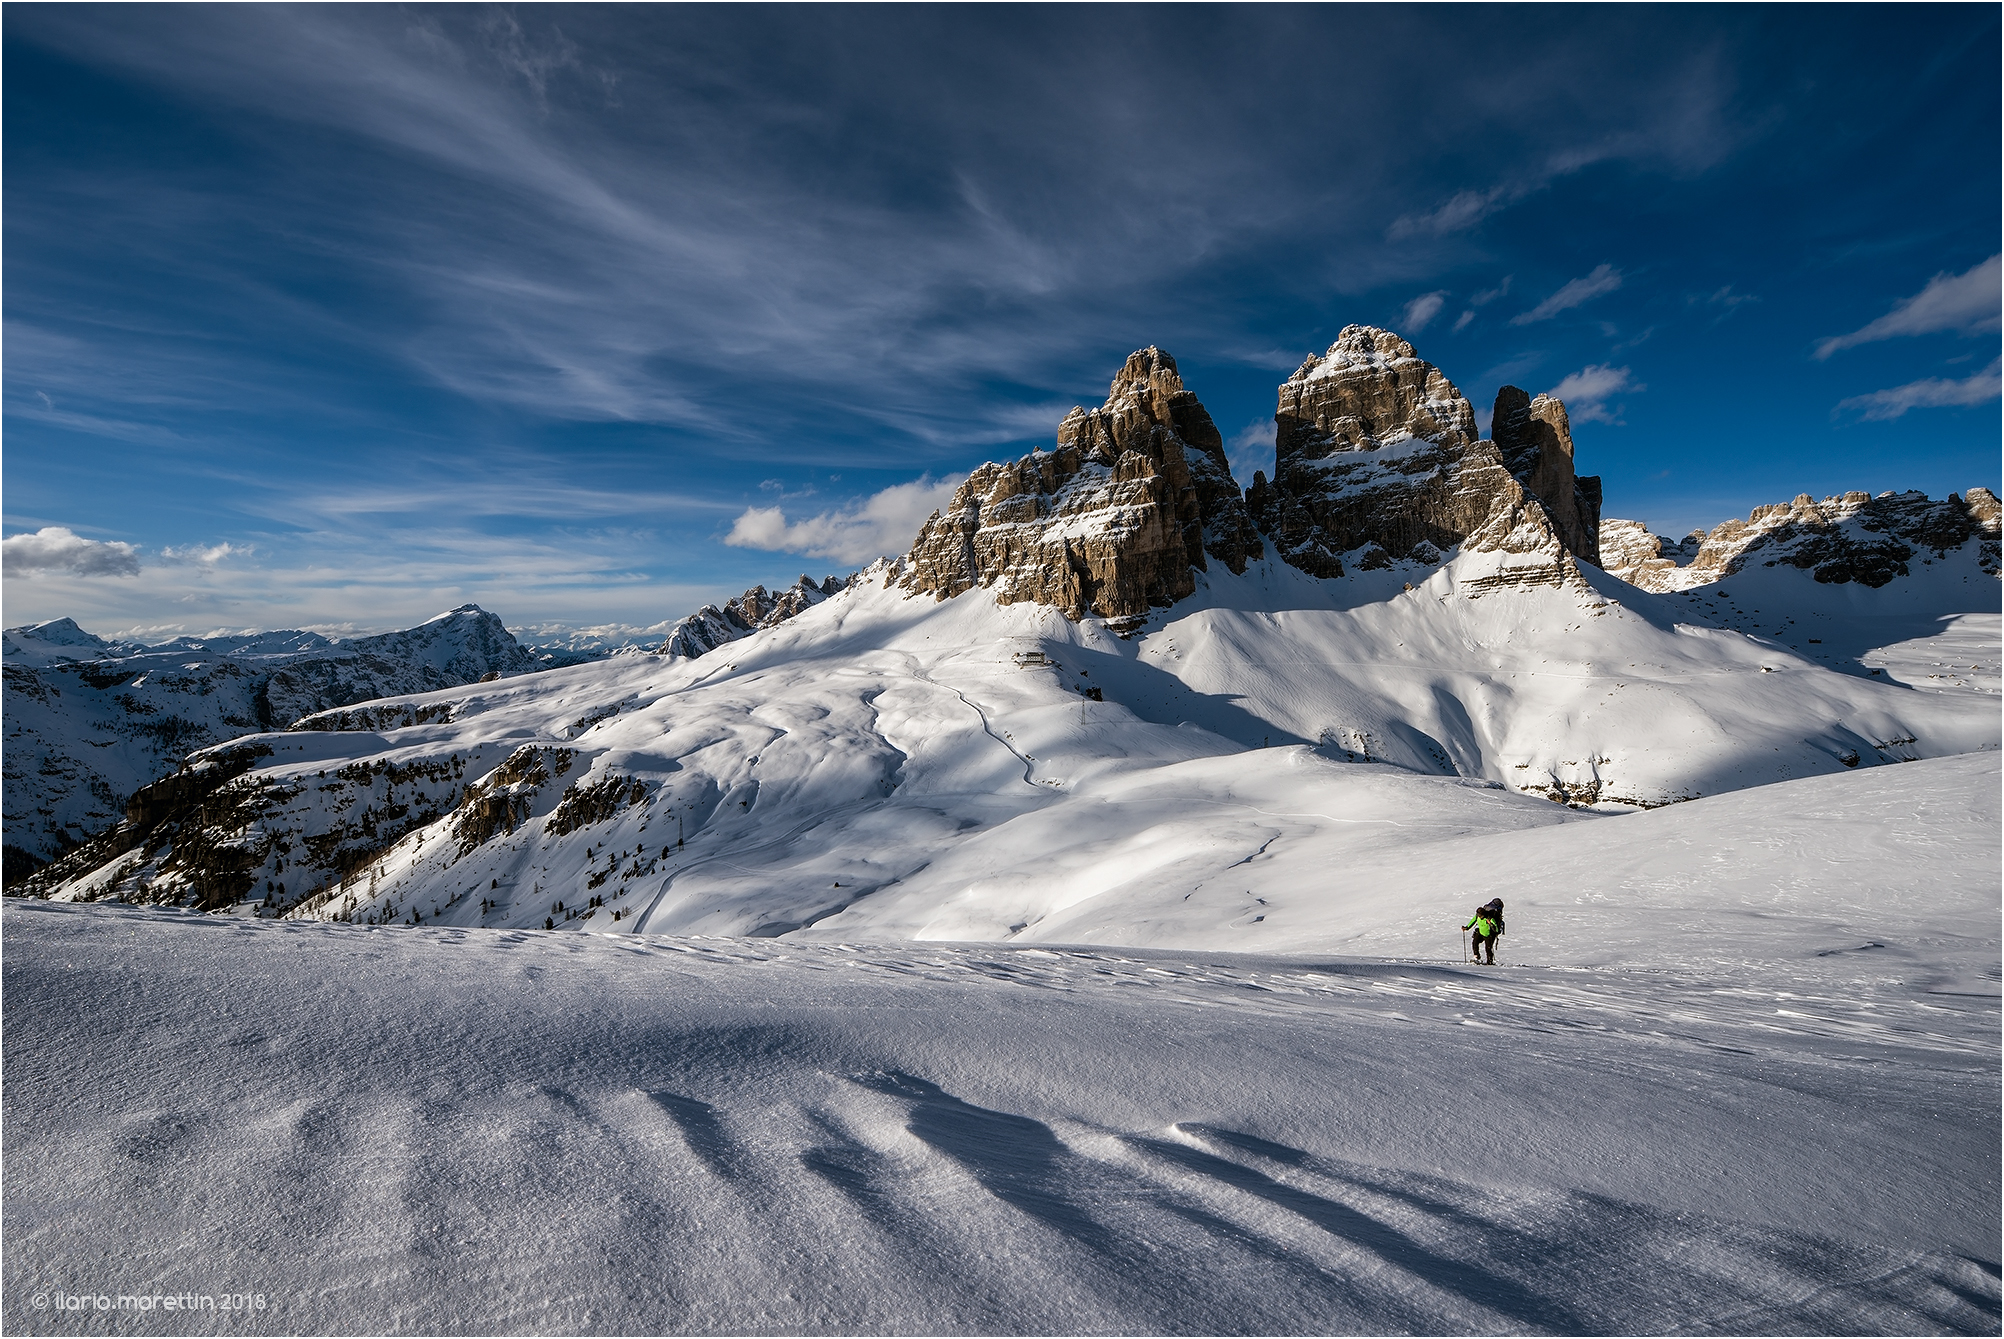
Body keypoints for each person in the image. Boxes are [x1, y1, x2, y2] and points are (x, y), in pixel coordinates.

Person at [1464, 897, 1505, 964]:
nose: (1479, 917)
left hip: (1490, 935)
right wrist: (1467, 928)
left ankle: (1489, 962)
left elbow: (1496, 929)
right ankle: (1477, 957)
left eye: (1480, 916)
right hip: (1481, 932)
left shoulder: (1490, 918)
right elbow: (1473, 920)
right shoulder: (1478, 916)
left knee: (1488, 949)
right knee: (1475, 943)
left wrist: (1491, 924)